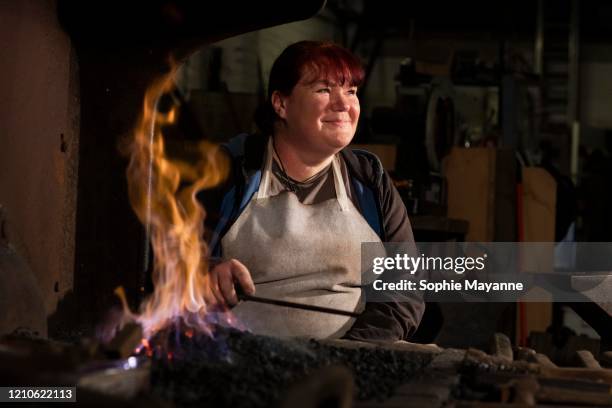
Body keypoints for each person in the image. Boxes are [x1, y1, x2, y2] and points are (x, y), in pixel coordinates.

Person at [200, 40, 424, 340]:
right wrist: (205, 270)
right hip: (240, 360)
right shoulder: (229, 173)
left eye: (351, 91)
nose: (344, 104)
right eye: (324, 89)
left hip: (350, 366)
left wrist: (355, 354)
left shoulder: (369, 180)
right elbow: (171, 260)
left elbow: (404, 287)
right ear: (281, 103)